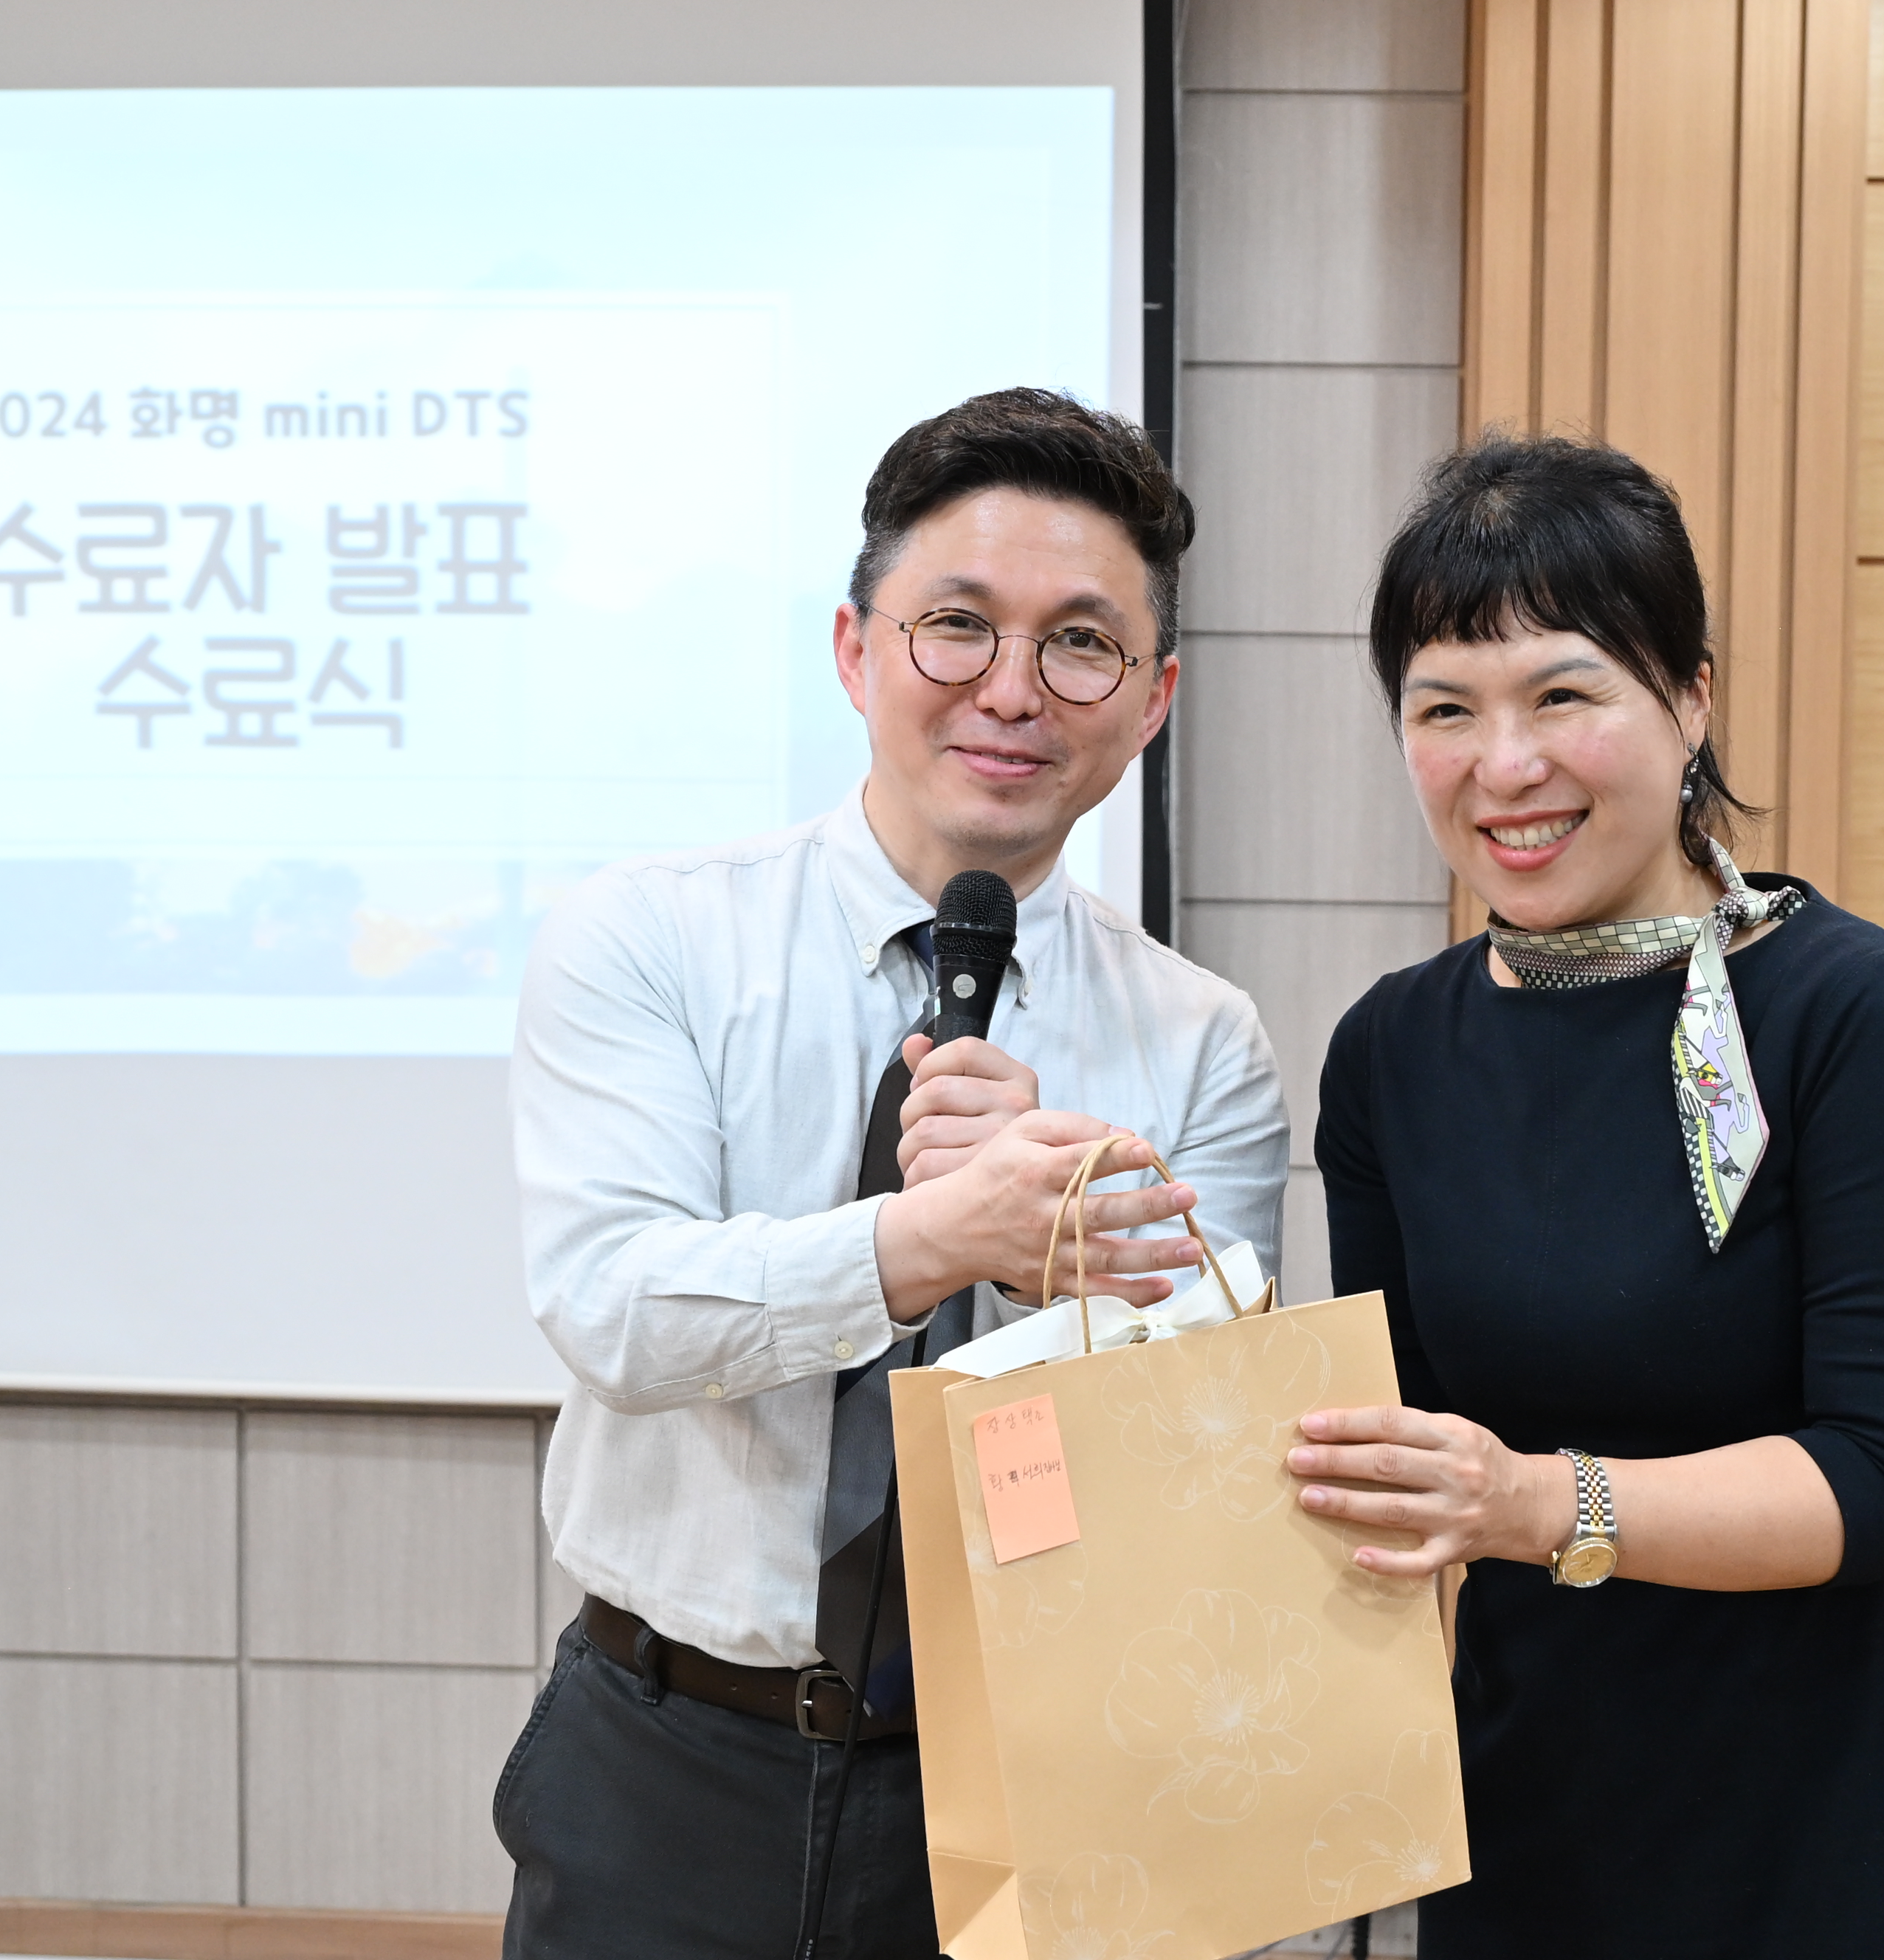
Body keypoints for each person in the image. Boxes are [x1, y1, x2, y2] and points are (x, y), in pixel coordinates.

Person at [496, 389, 1289, 1959]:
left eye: (1081, 644)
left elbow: (1209, 1464)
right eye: (958, 626)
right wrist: (923, 1241)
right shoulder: (650, 936)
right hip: (670, 1750)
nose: (1013, 688)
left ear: (1152, 702)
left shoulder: (1203, 1040)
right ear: (858, 650)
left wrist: (1056, 1291)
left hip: (1040, 1766)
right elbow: (614, 1311)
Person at [1288, 435, 1884, 1957]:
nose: (1505, 765)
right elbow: (1409, 1457)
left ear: (1691, 699)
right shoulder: (1391, 1052)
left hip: (1838, 1831)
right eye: (1445, 708)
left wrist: (1535, 1502)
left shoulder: (1851, 1015)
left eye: (1563, 694)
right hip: (1538, 1825)